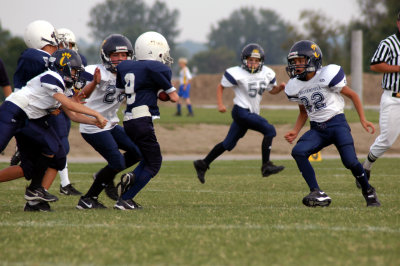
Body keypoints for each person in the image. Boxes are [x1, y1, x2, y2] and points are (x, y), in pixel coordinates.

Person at [0, 48, 108, 211]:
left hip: (31, 119)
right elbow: (69, 104)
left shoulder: (65, 88)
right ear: (63, 66)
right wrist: (95, 114)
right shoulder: (52, 76)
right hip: (14, 111)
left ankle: (35, 196)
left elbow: (72, 114)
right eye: (73, 70)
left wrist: (94, 122)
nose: (75, 75)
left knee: (57, 154)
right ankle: (35, 189)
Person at [283, 40, 380, 207]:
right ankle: (317, 192)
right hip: (318, 129)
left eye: (300, 61)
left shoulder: (327, 75)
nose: (296, 66)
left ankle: (368, 190)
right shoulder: (295, 86)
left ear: (313, 59)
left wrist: (363, 119)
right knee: (298, 151)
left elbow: (354, 96)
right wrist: (295, 130)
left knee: (350, 162)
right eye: (294, 62)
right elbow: (303, 111)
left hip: (337, 125)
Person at [193, 43, 285, 184]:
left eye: (256, 60)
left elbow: (271, 90)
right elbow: (220, 86)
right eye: (250, 60)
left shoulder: (268, 73)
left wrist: (279, 89)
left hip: (249, 113)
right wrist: (220, 104)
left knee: (228, 144)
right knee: (270, 130)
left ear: (261, 61)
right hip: (241, 111)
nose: (253, 63)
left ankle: (202, 164)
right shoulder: (236, 72)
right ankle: (266, 165)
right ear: (244, 60)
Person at [76, 34, 142, 209]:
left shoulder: (129, 74)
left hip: (111, 123)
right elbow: (78, 98)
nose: (120, 59)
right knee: (117, 163)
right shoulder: (94, 71)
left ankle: (102, 175)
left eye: (124, 55)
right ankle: (87, 199)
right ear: (106, 56)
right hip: (93, 125)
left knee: (138, 152)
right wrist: (93, 84)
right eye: (115, 55)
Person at [114, 31, 179, 210]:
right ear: (155, 51)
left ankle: (132, 176)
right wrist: (169, 93)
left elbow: (127, 90)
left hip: (128, 120)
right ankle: (126, 199)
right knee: (155, 162)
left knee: (148, 157)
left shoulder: (127, 67)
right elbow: (173, 98)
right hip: (142, 119)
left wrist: (157, 91)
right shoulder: (157, 68)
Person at [9, 20, 59, 167]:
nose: (55, 39)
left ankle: (36, 189)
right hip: (24, 111)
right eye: (51, 35)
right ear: (41, 37)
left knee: (33, 164)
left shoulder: (39, 58)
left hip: (32, 111)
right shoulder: (33, 56)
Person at [361, 11, 400, 186]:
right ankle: (366, 166)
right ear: (398, 23)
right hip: (394, 97)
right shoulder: (389, 43)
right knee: (387, 140)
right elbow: (375, 65)